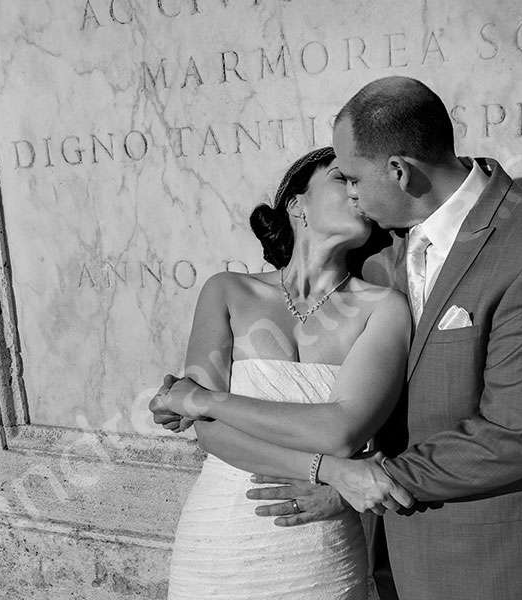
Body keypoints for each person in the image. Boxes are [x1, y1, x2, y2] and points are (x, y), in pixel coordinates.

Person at [248, 76, 522, 599]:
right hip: (381, 555)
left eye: (352, 177)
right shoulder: (378, 246)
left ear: (399, 171)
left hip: (493, 557)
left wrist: (361, 484)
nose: (350, 193)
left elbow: (515, 433)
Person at [149, 146, 413, 600]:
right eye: (341, 178)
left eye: (361, 183)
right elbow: (211, 437)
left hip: (319, 550)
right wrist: (331, 472)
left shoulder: (384, 308)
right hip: (220, 537)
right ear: (296, 205)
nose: (357, 192)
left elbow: (341, 432)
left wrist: (204, 400)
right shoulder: (227, 290)